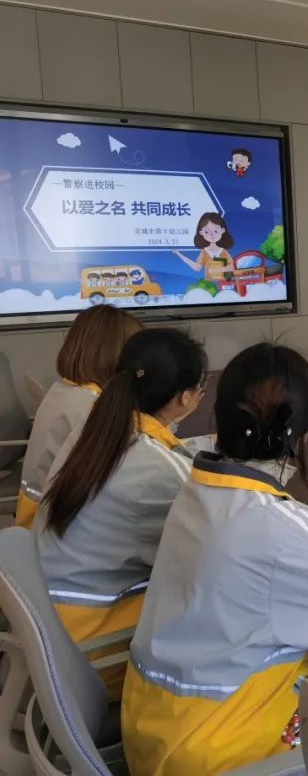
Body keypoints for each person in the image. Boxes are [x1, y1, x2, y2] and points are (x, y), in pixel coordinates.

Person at [123, 344, 308, 776]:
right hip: (222, 754)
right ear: (305, 432)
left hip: (156, 729)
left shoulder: (195, 489)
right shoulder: (276, 526)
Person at [34, 328, 206, 695]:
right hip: (98, 651)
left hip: (59, 624)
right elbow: (207, 565)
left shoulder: (96, 429)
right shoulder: (159, 471)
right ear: (185, 397)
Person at [16, 304, 142, 528]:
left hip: (37, 514)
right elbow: (133, 469)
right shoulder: (92, 407)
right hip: (53, 523)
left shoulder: (66, 389)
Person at [173, 212, 235, 279]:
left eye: (215, 231)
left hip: (223, 283)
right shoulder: (205, 252)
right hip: (209, 283)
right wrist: (179, 254)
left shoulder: (223, 252)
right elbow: (197, 268)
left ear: (222, 230)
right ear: (201, 233)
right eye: (206, 232)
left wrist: (218, 270)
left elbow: (231, 267)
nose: (212, 234)